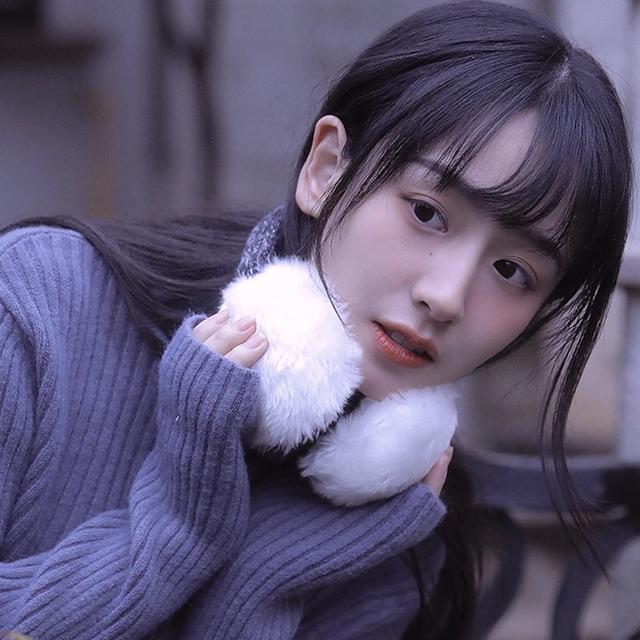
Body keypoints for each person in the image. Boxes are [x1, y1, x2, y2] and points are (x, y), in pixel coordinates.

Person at [0, 1, 631, 638]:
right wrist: (178, 530)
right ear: (325, 170)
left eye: (512, 271)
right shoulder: (38, 308)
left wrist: (263, 578)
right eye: (427, 212)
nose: (446, 297)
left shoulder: (398, 539)